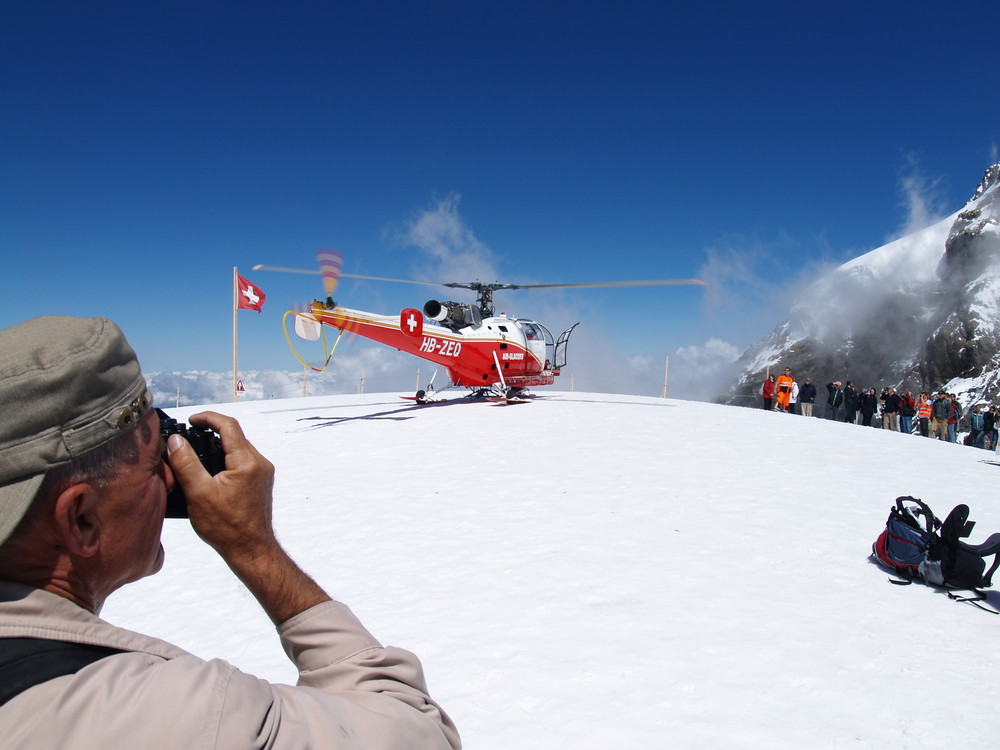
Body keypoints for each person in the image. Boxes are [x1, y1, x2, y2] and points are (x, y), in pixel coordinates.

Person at [0, 316, 461, 750]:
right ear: (80, 519)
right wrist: (253, 547)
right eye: (154, 463)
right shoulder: (165, 713)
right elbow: (418, 733)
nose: (172, 478)